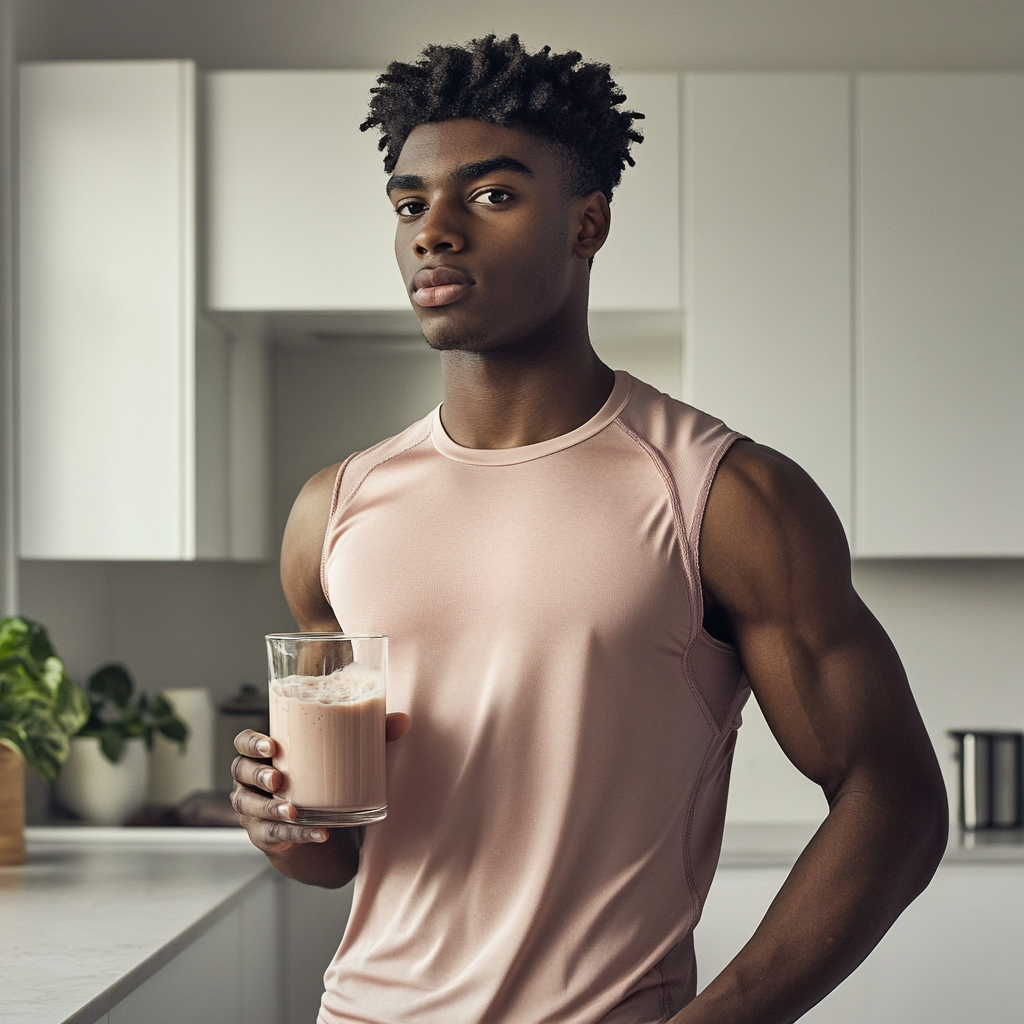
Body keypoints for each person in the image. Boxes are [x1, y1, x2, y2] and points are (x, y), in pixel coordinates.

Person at [231, 34, 948, 1024]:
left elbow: (895, 798)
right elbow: (332, 852)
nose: (433, 230)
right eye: (409, 204)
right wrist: (277, 820)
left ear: (588, 222)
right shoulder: (334, 509)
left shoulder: (724, 495)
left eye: (490, 196)